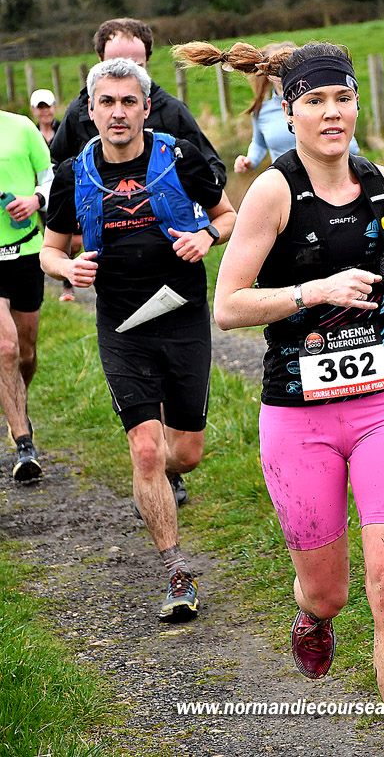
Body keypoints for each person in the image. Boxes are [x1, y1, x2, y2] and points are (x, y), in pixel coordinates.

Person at [173, 40, 384, 757]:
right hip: (298, 414)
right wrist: (313, 290)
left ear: (355, 104)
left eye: (342, 97)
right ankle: (312, 618)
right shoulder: (273, 193)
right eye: (314, 100)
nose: (331, 112)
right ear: (289, 112)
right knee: (328, 593)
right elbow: (228, 306)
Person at [40, 58, 236, 622]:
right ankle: (177, 573)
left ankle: (161, 483)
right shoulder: (74, 174)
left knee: (186, 454)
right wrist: (66, 267)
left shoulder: (180, 157)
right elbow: (51, 249)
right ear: (90, 110)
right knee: (146, 449)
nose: (118, 112)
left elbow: (229, 216)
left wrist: (206, 236)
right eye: (107, 102)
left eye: (129, 101)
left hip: (182, 315)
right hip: (121, 324)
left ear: (146, 108)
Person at [50, 17, 226, 187]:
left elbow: (213, 171)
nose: (126, 75)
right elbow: (56, 167)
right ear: (100, 59)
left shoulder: (172, 111)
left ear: (147, 60)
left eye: (136, 67)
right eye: (115, 66)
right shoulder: (78, 112)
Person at [0, 109, 53, 481]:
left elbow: (51, 178)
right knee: (6, 348)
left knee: (26, 353)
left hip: (26, 251)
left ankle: (15, 402)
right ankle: (24, 443)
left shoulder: (21, 127)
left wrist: (35, 200)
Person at [233, 41, 359, 176]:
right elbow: (259, 143)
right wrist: (250, 160)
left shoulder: (329, 110)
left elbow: (351, 146)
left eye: (289, 67)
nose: (283, 74)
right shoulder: (261, 112)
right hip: (285, 180)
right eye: (276, 69)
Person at [30, 88, 75, 302]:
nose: (45, 111)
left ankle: (68, 281)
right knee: (50, 234)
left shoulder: (65, 129)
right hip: (41, 192)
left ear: (54, 107)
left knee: (70, 238)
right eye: (40, 108)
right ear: (34, 111)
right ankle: (63, 283)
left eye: (47, 106)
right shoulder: (31, 134)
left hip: (65, 189)